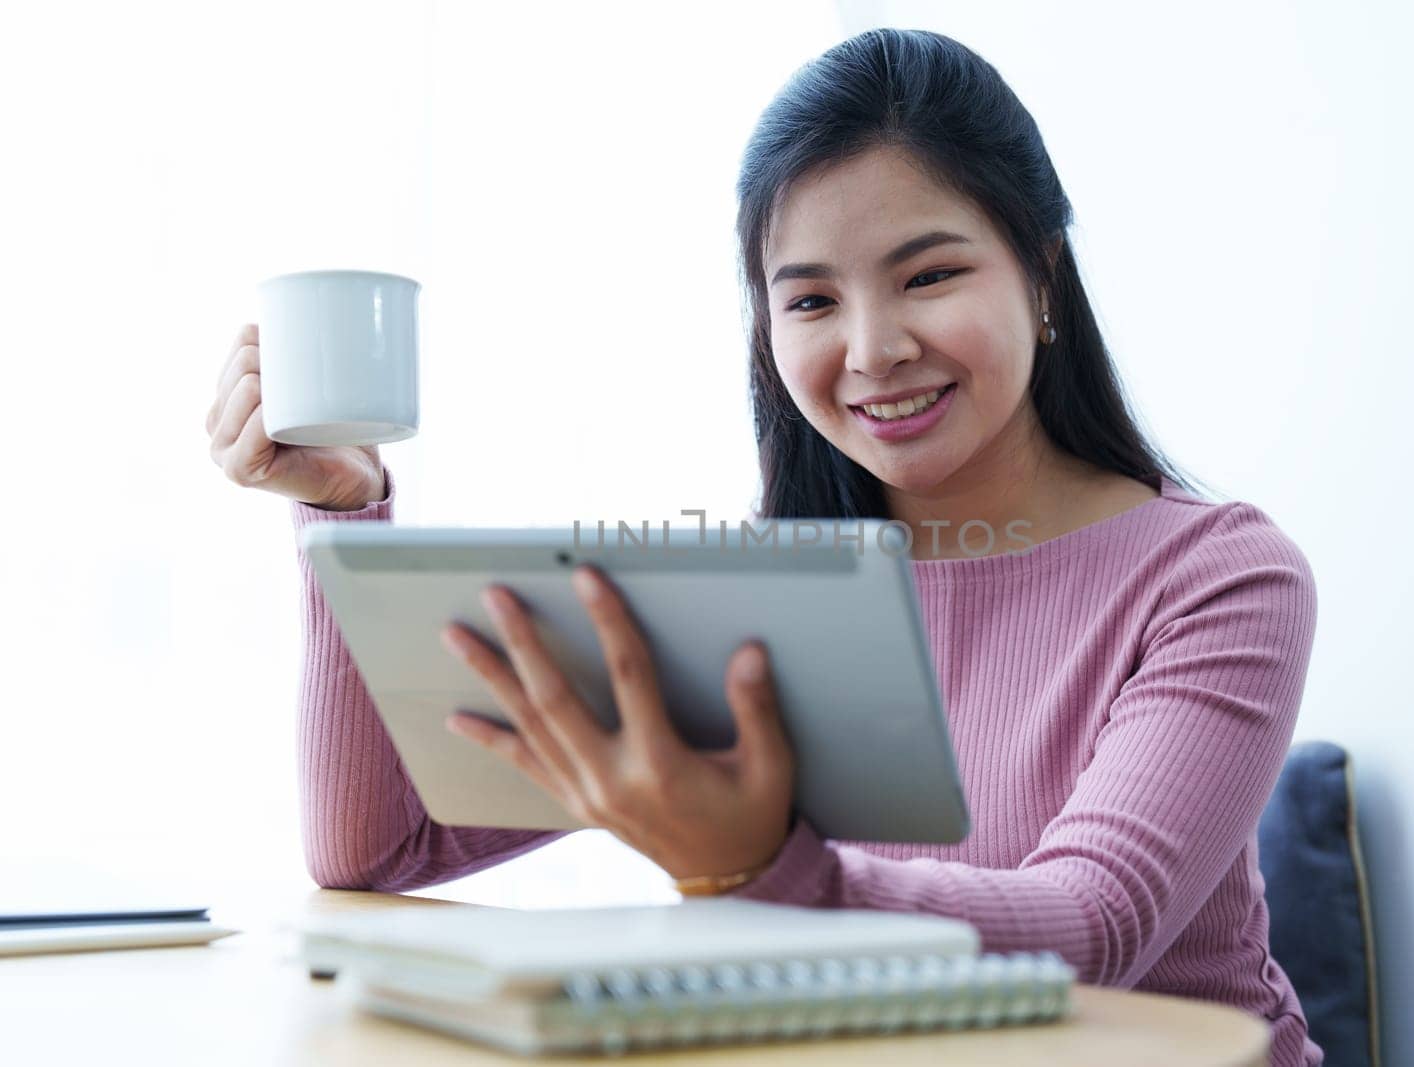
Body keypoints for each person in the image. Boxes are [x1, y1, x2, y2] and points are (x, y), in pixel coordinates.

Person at [204, 28, 1320, 1067]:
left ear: (1038, 273)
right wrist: (340, 510)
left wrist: (756, 868)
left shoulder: (1214, 576)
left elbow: (1093, 927)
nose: (873, 349)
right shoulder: (749, 589)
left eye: (928, 275)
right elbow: (378, 854)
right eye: (811, 299)